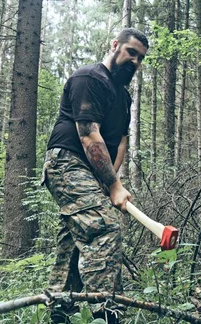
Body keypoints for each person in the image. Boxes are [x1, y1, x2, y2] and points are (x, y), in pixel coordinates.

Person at [41, 28, 149, 324]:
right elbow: (89, 136)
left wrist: (109, 181)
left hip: (93, 172)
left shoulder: (124, 97)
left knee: (75, 234)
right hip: (66, 162)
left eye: (140, 58)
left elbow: (121, 141)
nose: (135, 62)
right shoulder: (90, 78)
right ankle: (106, 311)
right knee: (105, 225)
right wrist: (114, 186)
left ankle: (60, 308)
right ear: (115, 45)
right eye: (131, 52)